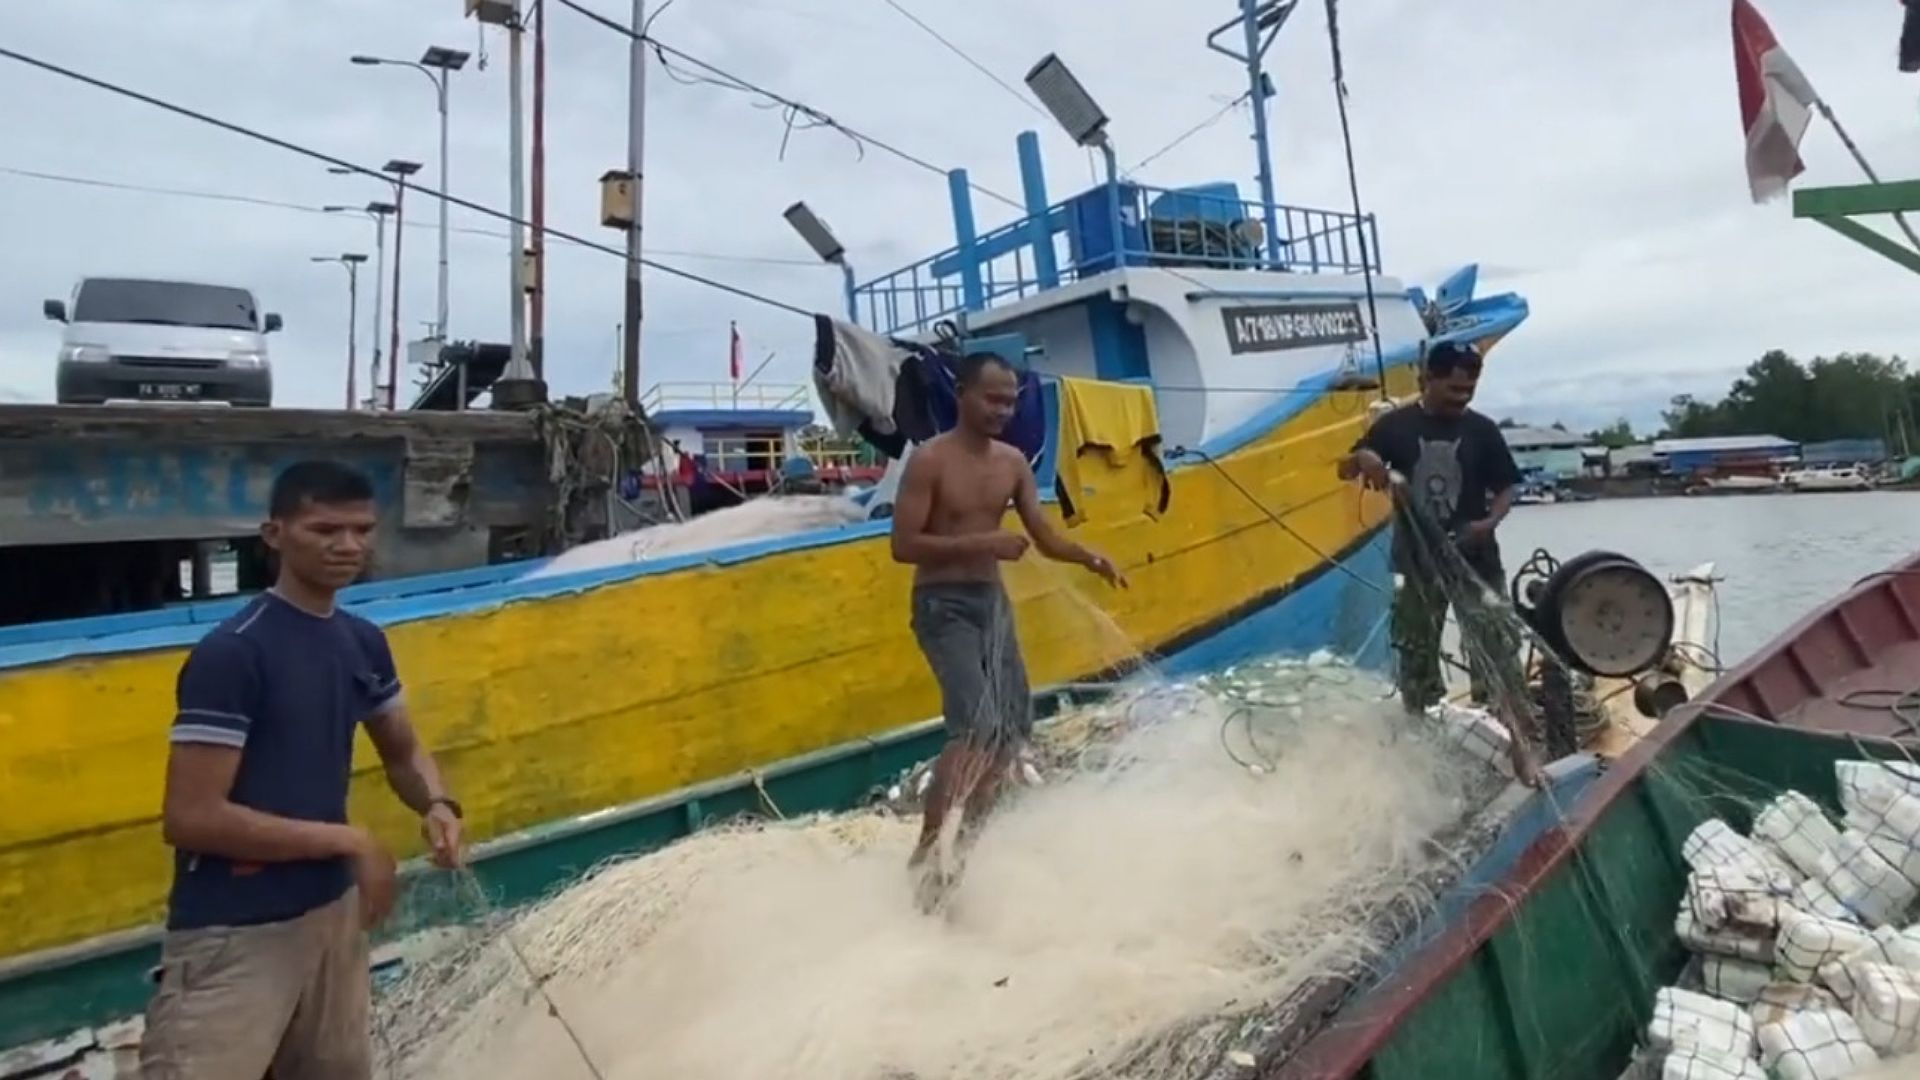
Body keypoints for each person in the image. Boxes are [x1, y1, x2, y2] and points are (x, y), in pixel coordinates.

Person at [140, 461, 464, 1080]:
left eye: (363, 530)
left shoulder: (362, 641)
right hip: (235, 933)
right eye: (325, 529)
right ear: (274, 534)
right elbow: (191, 816)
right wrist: (351, 840)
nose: (349, 546)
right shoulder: (234, 653)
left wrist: (438, 806)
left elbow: (401, 751)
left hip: (333, 921)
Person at [890, 352, 1126, 906]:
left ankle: (962, 856)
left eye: (1010, 400)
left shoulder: (1014, 462)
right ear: (963, 396)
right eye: (991, 398)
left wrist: (1089, 557)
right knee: (974, 727)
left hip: (990, 602)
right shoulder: (929, 461)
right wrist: (984, 544)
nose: (1002, 409)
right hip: (942, 604)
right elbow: (903, 545)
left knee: (1007, 735)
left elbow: (1044, 536)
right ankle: (926, 853)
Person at [1339, 342, 1544, 787]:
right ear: (1426, 380)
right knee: (1416, 657)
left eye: (1469, 390)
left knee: (1499, 652)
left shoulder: (1484, 431)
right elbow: (1346, 467)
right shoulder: (1395, 425)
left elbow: (1508, 485)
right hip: (1415, 564)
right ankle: (1420, 756)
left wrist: (1490, 521)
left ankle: (1523, 753)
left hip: (1476, 562)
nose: (1461, 397)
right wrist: (1366, 458)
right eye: (1452, 389)